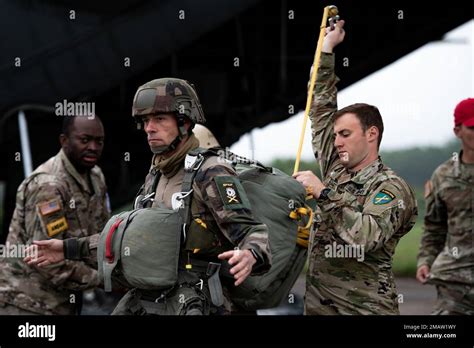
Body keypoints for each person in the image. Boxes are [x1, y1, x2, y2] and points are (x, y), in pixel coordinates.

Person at [26, 78, 271, 315]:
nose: (149, 128)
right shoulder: (155, 174)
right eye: (145, 121)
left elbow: (253, 231)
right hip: (152, 296)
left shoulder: (211, 171)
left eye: (159, 119)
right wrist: (66, 249)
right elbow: (124, 239)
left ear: (184, 122)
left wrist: (249, 254)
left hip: (198, 298)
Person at [292, 20, 418, 315]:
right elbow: (321, 109)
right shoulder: (337, 169)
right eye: (335, 136)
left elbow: (366, 237)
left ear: (371, 134)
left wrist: (323, 194)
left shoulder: (391, 187)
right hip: (320, 307)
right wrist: (326, 48)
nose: (335, 142)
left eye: (345, 135)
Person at [0, 115, 110, 315]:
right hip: (26, 303)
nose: (93, 147)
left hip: (64, 301)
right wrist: (104, 280)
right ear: (64, 140)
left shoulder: (96, 176)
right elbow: (48, 261)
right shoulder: (48, 186)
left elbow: (101, 237)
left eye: (99, 141)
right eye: (84, 140)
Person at [416, 98, 474, 315]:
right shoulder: (444, 175)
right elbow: (434, 225)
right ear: (458, 131)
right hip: (454, 282)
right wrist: (426, 260)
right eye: (472, 127)